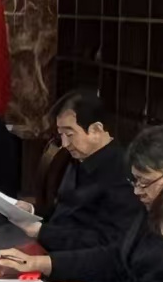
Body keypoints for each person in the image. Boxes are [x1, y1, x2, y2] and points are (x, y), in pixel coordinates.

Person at [0, 123, 163, 282]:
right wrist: (38, 263)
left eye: (145, 182)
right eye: (135, 181)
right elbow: (116, 258)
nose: (137, 191)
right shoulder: (155, 206)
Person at [13, 88, 140, 253]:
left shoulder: (122, 173)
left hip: (77, 259)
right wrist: (31, 211)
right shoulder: (79, 157)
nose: (65, 144)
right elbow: (64, 210)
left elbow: (107, 241)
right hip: (52, 246)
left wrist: (42, 232)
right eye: (61, 134)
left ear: (96, 130)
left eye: (69, 134)